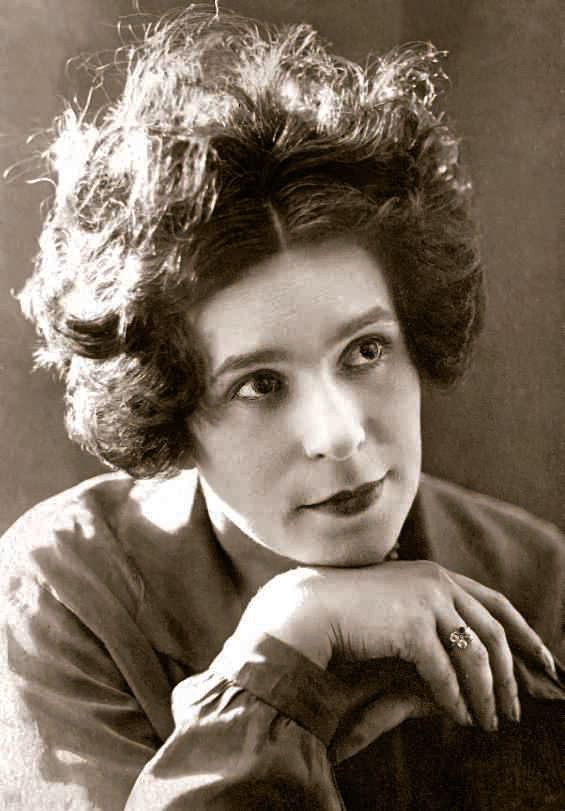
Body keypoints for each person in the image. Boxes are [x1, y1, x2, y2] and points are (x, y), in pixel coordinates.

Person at [0, 6, 563, 809]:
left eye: (365, 350)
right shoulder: (64, 594)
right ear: (171, 410)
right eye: (259, 384)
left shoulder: (529, 577)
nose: (339, 433)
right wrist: (284, 644)